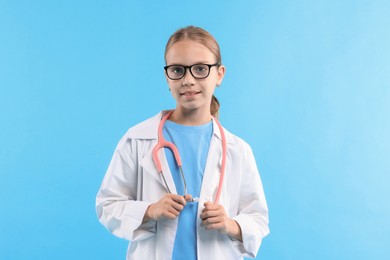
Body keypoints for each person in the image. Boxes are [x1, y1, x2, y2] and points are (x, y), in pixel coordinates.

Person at [96, 25, 269, 260]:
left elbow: (258, 219)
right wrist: (149, 210)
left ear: (219, 74)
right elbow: (107, 205)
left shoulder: (238, 150)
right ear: (167, 77)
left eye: (200, 69)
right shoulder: (137, 139)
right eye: (177, 70)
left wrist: (230, 224)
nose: (188, 80)